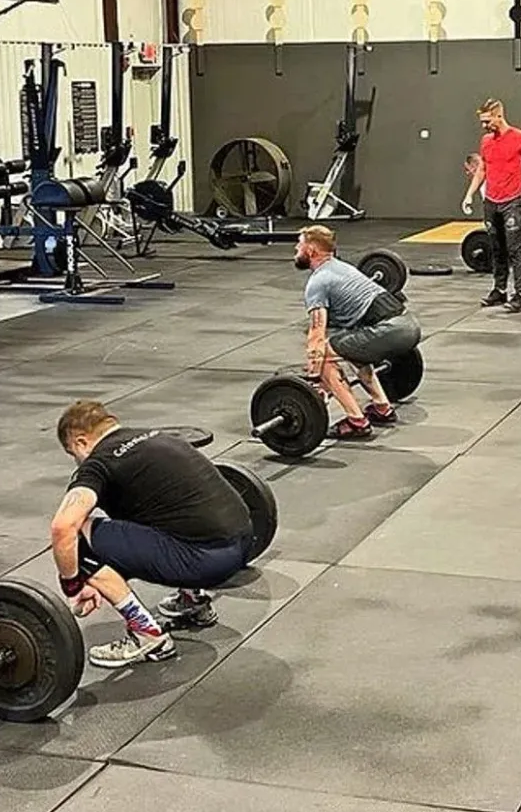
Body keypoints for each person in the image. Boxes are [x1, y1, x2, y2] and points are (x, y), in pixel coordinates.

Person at [52, 401, 255, 667]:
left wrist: (74, 583)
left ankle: (147, 635)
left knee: (79, 537)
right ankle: (193, 601)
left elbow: (62, 527)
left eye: (73, 454)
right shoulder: (159, 437)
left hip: (204, 560)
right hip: (244, 542)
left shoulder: (99, 462)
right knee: (161, 509)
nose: (77, 461)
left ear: (80, 442)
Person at [294, 224, 422, 440]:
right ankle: (382, 407)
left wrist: (315, 377)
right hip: (409, 325)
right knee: (352, 344)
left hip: (389, 330)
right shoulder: (343, 267)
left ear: (311, 251)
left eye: (299, 245)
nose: (295, 250)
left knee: (325, 354)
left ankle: (356, 421)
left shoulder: (318, 282)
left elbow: (316, 332)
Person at [461, 98, 521, 313]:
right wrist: (469, 194)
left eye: (487, 121)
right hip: (491, 202)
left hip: (513, 201)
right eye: (482, 122)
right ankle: (499, 290)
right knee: (496, 249)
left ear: (499, 116)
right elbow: (482, 170)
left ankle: (520, 296)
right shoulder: (486, 141)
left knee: (516, 250)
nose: (484, 125)